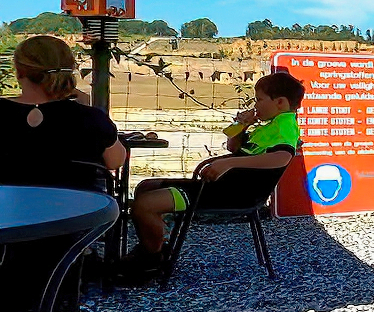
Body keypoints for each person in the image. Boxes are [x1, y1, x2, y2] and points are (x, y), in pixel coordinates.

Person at [127, 71, 304, 281]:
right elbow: (233, 147)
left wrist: (230, 163)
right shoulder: (271, 126)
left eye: (259, 100)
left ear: (280, 102)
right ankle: (156, 245)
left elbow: (282, 157)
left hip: (231, 194)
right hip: (219, 187)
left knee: (144, 205)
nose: (255, 105)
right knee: (145, 187)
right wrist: (242, 125)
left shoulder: (285, 127)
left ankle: (151, 261)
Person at [0, 35, 126, 193]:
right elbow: (115, 161)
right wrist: (87, 111)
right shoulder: (89, 117)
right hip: (76, 206)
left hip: (8, 205)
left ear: (19, 72)